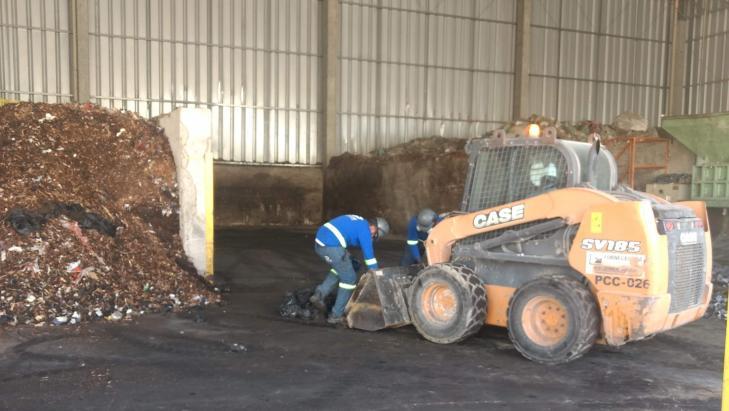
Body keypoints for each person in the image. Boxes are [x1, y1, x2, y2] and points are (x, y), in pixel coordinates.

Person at [309, 214, 390, 324]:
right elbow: (369, 257)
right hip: (330, 245)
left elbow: (351, 237)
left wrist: (351, 259)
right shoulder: (365, 231)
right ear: (374, 228)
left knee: (347, 266)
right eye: (375, 235)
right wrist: (377, 275)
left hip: (322, 240)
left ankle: (319, 295)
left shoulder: (360, 221)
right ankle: (336, 315)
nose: (372, 237)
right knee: (349, 279)